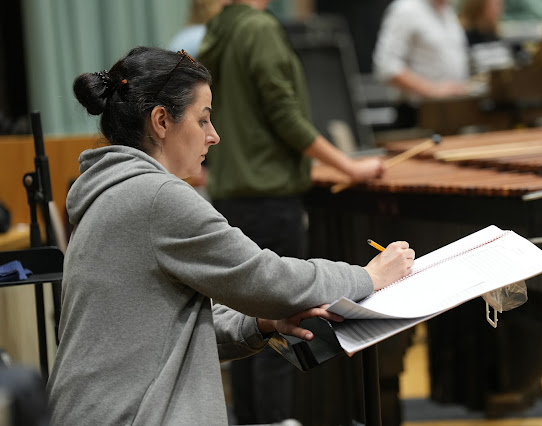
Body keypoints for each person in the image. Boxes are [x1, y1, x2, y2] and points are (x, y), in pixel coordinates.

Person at [45, 46, 415, 425]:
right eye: (203, 120)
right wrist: (368, 277)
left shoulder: (109, 191)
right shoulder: (156, 197)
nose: (214, 136)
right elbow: (269, 279)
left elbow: (170, 332)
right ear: (161, 121)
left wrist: (263, 324)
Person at [197, 1, 387, 423]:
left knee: (246, 323)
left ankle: (253, 421)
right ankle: (277, 420)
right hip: (268, 197)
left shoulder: (219, 29)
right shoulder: (259, 29)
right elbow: (284, 114)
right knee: (280, 325)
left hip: (232, 194)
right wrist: (349, 166)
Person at [372, 0, 471, 127]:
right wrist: (433, 90)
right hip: (418, 115)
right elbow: (386, 67)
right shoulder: (405, 9)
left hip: (451, 112)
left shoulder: (448, 10)